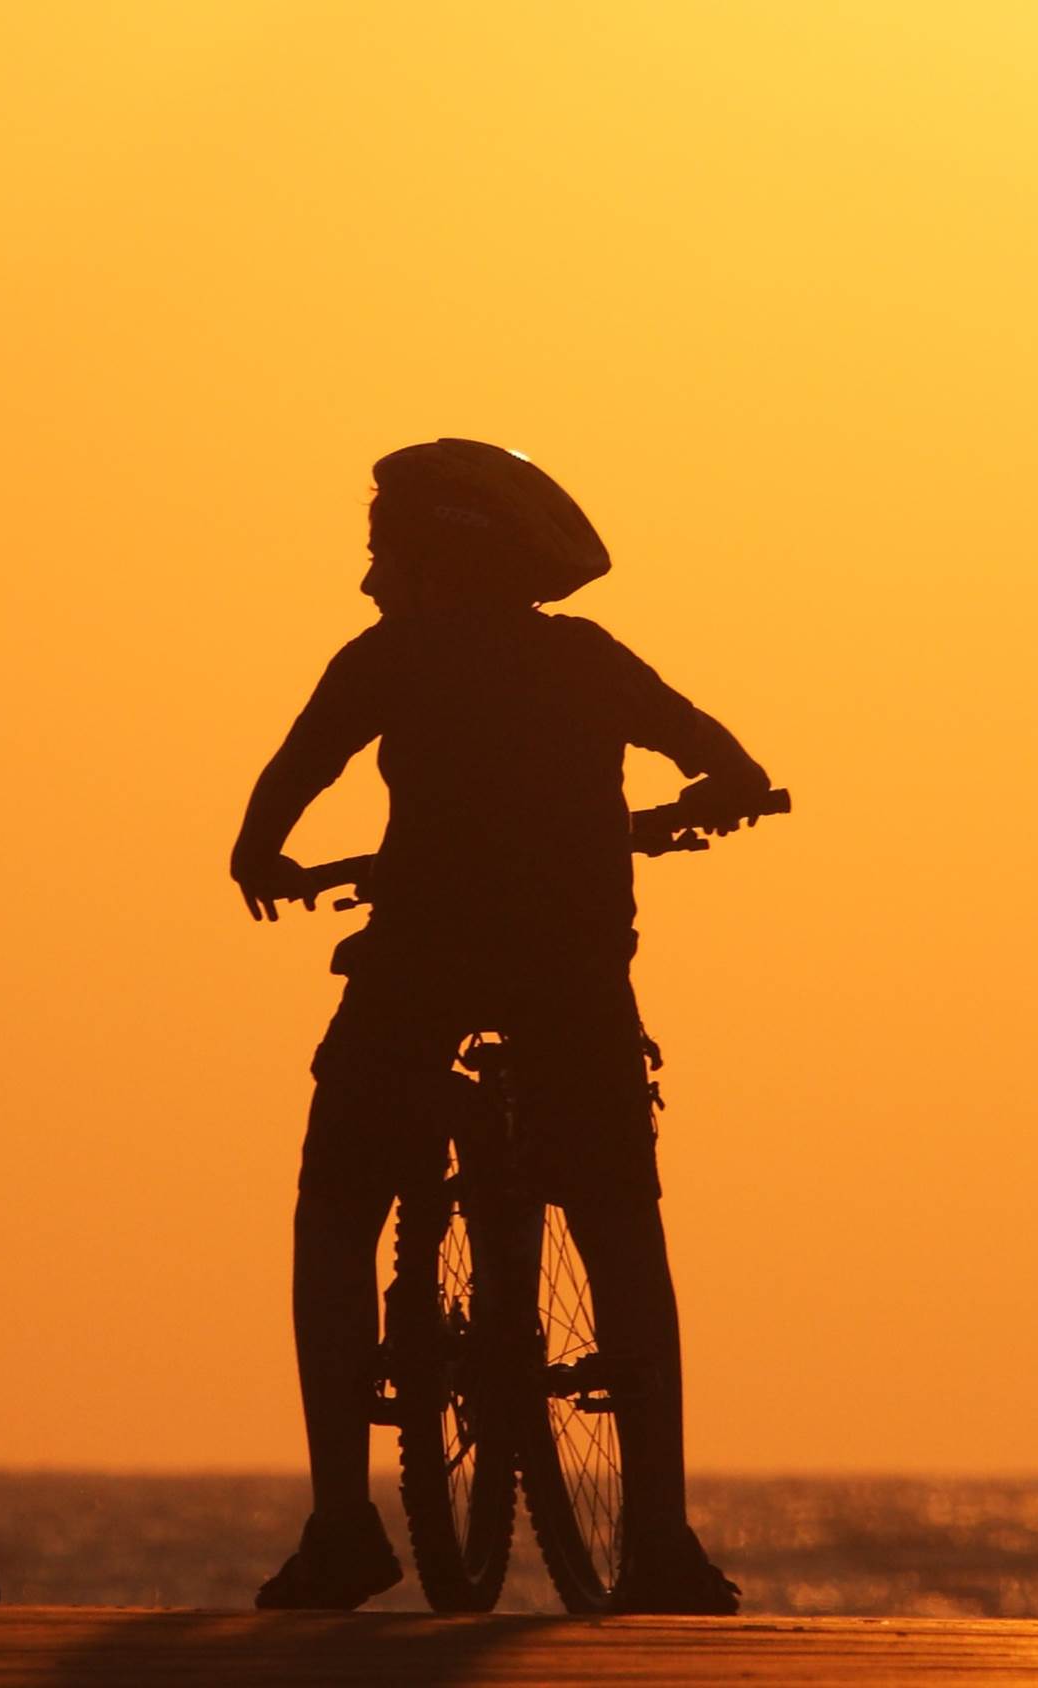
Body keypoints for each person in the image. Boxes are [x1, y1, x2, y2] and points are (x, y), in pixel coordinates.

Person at [230, 440, 769, 1615]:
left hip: (417, 965)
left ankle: (339, 1523)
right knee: (623, 1223)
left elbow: (282, 790)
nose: (370, 582)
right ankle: (663, 1538)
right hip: (573, 974)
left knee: (336, 1211)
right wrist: (708, 802)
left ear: (436, 560)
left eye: (384, 556)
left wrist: (263, 859)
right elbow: (727, 759)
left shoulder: (384, 661)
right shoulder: (585, 659)